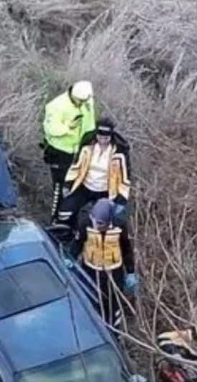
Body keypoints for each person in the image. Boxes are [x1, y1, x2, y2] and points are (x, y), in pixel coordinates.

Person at [66, 198, 138, 328]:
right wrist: (70, 257)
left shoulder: (119, 226)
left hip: (113, 272)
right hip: (91, 270)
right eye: (95, 222)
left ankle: (114, 332)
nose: (97, 226)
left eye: (100, 224)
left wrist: (131, 272)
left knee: (113, 304)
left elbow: (126, 249)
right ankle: (94, 328)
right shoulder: (85, 224)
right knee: (93, 301)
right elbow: (77, 243)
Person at [56, 117, 131, 230]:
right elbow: (76, 166)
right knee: (64, 212)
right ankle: (67, 234)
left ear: (110, 137)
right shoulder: (87, 148)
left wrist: (122, 196)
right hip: (85, 186)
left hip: (105, 191)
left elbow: (125, 177)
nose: (103, 140)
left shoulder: (119, 153)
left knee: (100, 219)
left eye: (106, 138)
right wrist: (68, 183)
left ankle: (87, 237)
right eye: (100, 137)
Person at [41, 81, 96, 222]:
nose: (82, 103)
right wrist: (68, 127)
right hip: (61, 153)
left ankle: (71, 218)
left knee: (78, 185)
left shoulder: (87, 101)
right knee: (59, 187)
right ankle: (55, 220)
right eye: (80, 101)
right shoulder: (56, 106)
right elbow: (50, 129)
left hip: (81, 151)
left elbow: (90, 123)